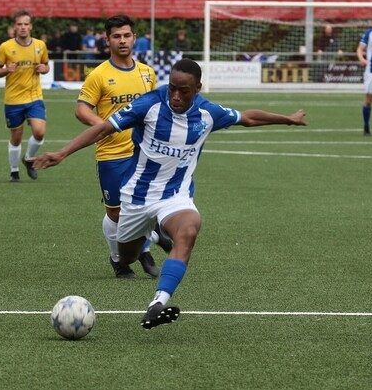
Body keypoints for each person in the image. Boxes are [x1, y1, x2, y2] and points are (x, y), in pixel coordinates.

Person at [33, 58, 307, 329]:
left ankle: (158, 303)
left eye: (183, 90)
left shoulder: (208, 113)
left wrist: (288, 120)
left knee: (189, 229)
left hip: (175, 196)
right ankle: (135, 245)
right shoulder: (149, 104)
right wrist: (62, 152)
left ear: (197, 88)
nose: (175, 95)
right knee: (127, 256)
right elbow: (104, 128)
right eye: (172, 88)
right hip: (137, 198)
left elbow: (247, 117)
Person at [75, 15, 161, 279]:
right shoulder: (99, 75)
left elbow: (156, 108)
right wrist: (104, 125)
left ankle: (144, 248)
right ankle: (118, 260)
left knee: (148, 205)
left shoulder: (147, 73)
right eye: (116, 36)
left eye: (126, 35)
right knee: (116, 212)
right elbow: (81, 109)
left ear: (134, 38)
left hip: (144, 153)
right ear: (107, 40)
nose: (122, 41)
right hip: (111, 154)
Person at [0, 10, 50, 182]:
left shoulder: (40, 45)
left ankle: (29, 159)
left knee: (39, 132)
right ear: (14, 27)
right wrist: (5, 70)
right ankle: (14, 171)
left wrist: (43, 69)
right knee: (16, 138)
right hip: (13, 100)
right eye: (19, 24)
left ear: (30, 26)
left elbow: (46, 65)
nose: (23, 27)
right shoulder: (6, 47)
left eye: (26, 24)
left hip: (34, 98)